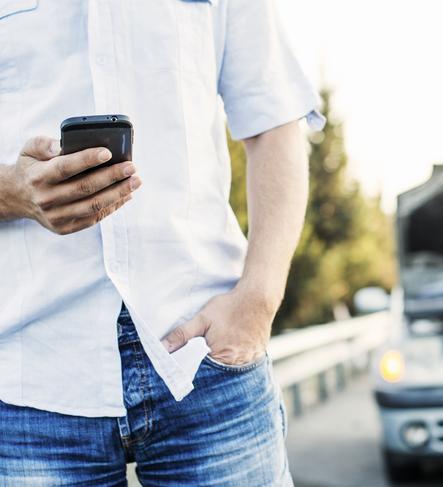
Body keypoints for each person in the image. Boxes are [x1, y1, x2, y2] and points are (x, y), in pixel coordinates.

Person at [0, 1, 323, 485]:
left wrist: (256, 302)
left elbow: (276, 121)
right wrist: (13, 192)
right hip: (29, 376)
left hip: (208, 359)